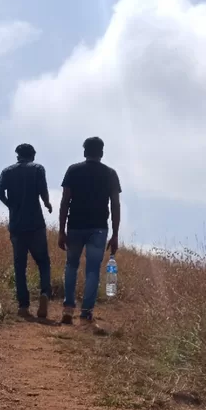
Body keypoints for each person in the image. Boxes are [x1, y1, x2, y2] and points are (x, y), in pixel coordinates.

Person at [57, 136, 121, 326]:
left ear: (85, 152)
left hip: (75, 225)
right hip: (99, 228)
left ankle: (68, 308)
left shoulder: (73, 170)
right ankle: (86, 313)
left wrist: (61, 230)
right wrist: (115, 234)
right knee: (93, 270)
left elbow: (65, 202)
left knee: (71, 266)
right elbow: (116, 205)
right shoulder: (110, 174)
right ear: (101, 153)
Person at [0, 143, 53, 319]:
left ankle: (23, 306)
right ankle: (44, 294)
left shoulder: (7, 171)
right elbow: (43, 190)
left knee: (20, 266)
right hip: (35, 224)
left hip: (17, 226)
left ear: (17, 155)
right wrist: (47, 203)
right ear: (33, 155)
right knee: (43, 262)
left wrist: (11, 206)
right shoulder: (37, 169)